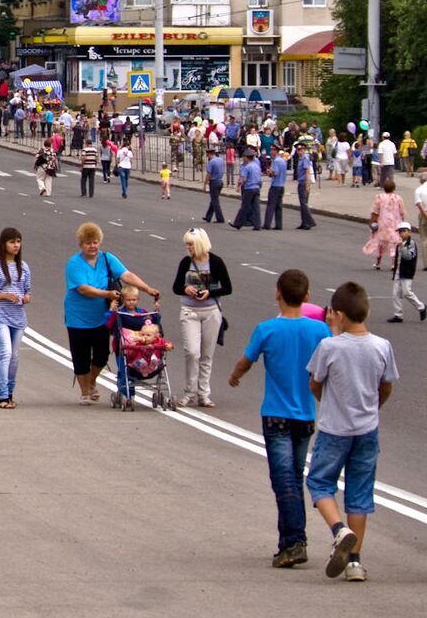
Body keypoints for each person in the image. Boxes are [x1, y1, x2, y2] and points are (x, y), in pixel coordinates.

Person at [228, 269, 332, 568]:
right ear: (308, 297)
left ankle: (296, 541)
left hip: (275, 415)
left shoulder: (266, 329)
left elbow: (246, 361)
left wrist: (236, 375)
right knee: (293, 479)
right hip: (306, 416)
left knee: (283, 481)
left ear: (277, 293)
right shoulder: (320, 332)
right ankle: (288, 542)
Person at [307, 282, 399, 583]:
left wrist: (328, 402)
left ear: (337, 314)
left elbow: (315, 382)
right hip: (367, 428)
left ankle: (338, 530)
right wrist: (374, 406)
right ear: (367, 312)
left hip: (334, 428)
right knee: (359, 493)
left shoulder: (329, 346)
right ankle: (355, 562)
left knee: (320, 482)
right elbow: (386, 385)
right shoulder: (382, 346)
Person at [63, 223, 160, 406]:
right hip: (78, 316)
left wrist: (147, 288)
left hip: (103, 316)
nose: (93, 246)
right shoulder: (74, 264)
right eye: (88, 243)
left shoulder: (107, 259)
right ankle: (85, 391)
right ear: (81, 245)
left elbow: (127, 275)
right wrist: (107, 294)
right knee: (80, 356)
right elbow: (83, 289)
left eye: (95, 242)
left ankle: (91, 381)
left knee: (101, 354)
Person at [173, 228, 233, 407]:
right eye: (187, 244)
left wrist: (210, 292)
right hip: (189, 311)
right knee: (192, 352)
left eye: (190, 244)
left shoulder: (216, 262)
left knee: (207, 355)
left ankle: (203, 394)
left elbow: (228, 288)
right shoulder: (186, 262)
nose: (188, 247)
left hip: (211, 311)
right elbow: (176, 286)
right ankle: (189, 392)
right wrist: (186, 289)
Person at [0, 227, 32, 409]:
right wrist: (4, 296)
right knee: (6, 353)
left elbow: (27, 292)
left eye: (18, 241)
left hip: (18, 317)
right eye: (12, 242)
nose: (16, 245)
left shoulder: (24, 267)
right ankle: (2, 395)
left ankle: (10, 393)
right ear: (4, 244)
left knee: (15, 357)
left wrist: (25, 298)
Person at [362, 178, 406, 270]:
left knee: (380, 243)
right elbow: (402, 212)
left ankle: (378, 262)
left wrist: (372, 222)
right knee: (394, 243)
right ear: (394, 188)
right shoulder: (398, 198)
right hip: (395, 223)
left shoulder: (379, 197)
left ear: (384, 188)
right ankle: (394, 263)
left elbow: (375, 212)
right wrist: (402, 221)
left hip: (382, 223)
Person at [388, 221, 427, 323]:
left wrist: (402, 247)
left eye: (404, 231)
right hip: (398, 272)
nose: (402, 234)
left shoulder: (411, 244)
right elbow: (398, 259)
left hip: (407, 272)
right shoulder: (399, 245)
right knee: (396, 293)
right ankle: (398, 314)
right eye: (400, 232)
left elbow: (408, 256)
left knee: (407, 292)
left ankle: (421, 307)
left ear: (409, 232)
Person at [231, 151, 263, 231]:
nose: (243, 159)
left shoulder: (247, 167)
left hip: (249, 188)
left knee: (244, 206)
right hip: (256, 188)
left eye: (244, 157)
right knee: (256, 207)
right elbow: (260, 179)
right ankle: (257, 224)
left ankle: (238, 223)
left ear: (247, 157)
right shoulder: (257, 166)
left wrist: (240, 184)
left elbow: (244, 179)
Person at [203, 149, 226, 224]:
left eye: (207, 155)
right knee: (213, 199)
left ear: (209, 154)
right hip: (220, 181)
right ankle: (208, 217)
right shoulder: (220, 160)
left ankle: (220, 218)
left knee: (215, 201)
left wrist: (205, 184)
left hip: (214, 182)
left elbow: (209, 174)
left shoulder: (211, 162)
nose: (207, 156)